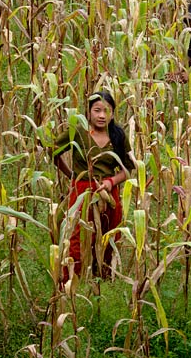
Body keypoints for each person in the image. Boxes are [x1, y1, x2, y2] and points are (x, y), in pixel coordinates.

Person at [52, 90, 134, 282]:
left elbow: (128, 169)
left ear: (113, 113)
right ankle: (71, 283)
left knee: (108, 237)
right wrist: (72, 175)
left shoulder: (118, 136)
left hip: (109, 194)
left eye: (107, 111)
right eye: (97, 110)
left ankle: (103, 281)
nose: (102, 115)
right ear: (88, 112)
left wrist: (110, 182)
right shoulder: (78, 132)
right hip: (82, 192)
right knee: (77, 238)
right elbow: (54, 151)